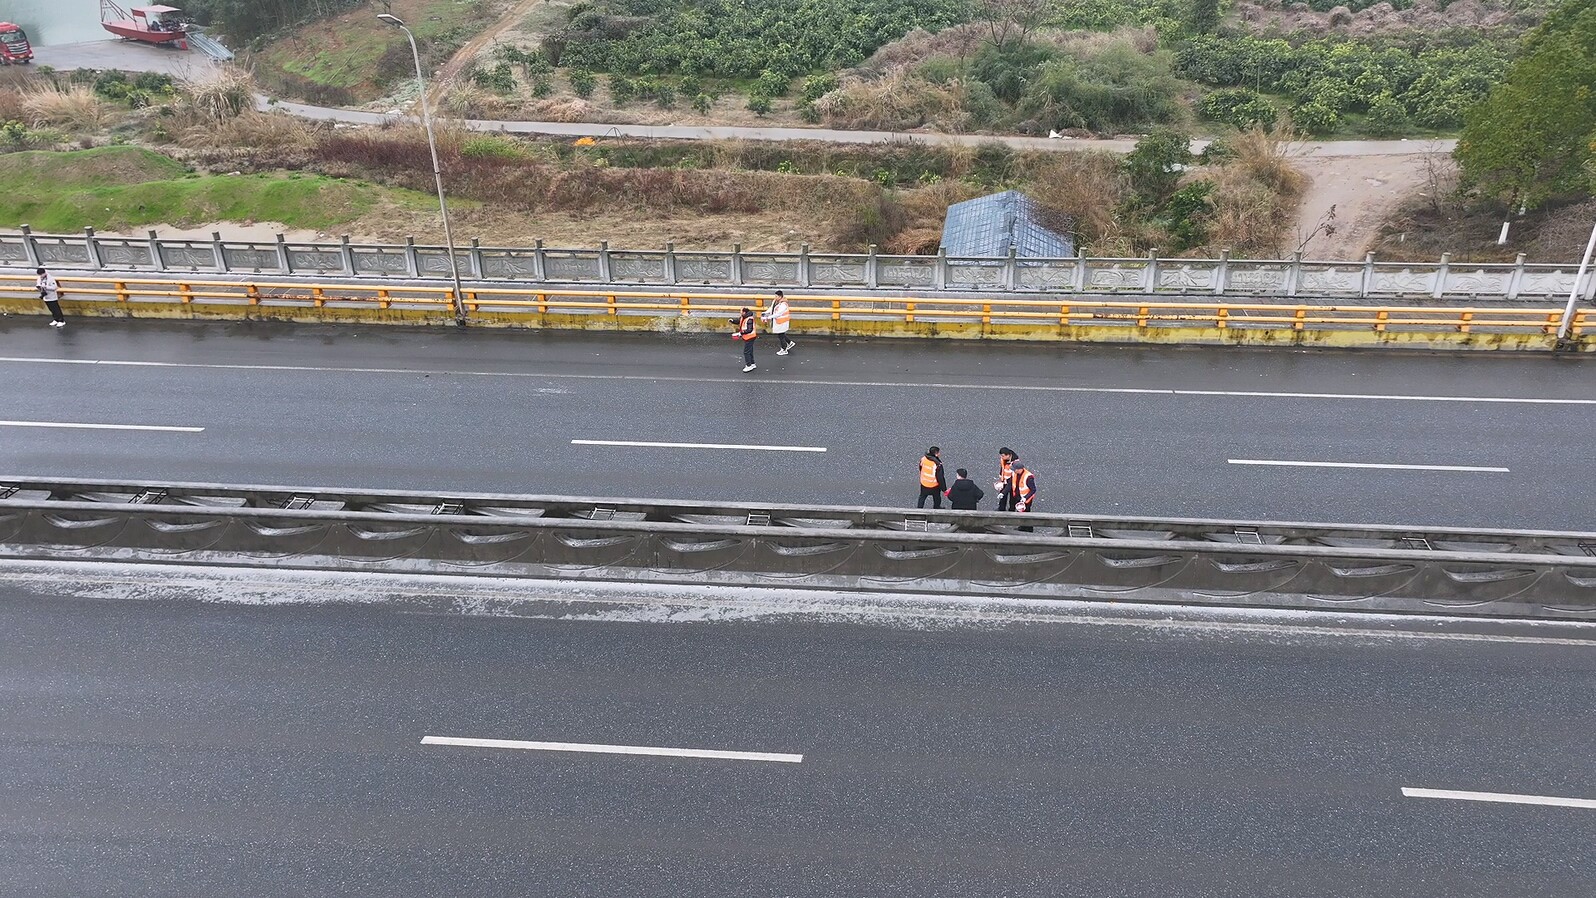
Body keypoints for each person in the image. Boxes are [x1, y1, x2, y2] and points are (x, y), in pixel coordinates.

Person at [761, 290, 796, 355]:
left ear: (780, 296)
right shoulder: (775, 301)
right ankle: (790, 343)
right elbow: (771, 308)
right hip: (779, 321)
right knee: (782, 334)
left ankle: (784, 349)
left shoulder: (783, 304)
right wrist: (766, 313)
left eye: (776, 296)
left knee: (781, 336)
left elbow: (778, 314)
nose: (775, 297)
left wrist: (769, 317)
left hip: (782, 322)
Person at [1008, 459, 1038, 531]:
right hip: (1019, 497)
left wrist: (1025, 498)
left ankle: (1029, 528)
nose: (1013, 471)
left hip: (1026, 499)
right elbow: (1010, 484)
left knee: (1026, 513)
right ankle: (1023, 526)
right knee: (1021, 513)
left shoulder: (1028, 477)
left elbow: (1033, 489)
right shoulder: (1015, 473)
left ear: (1019, 469)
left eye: (1015, 469)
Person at [730, 307, 757, 372]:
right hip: (748, 337)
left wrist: (740, 333)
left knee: (746, 352)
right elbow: (739, 321)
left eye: (741, 311)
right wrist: (733, 321)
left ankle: (748, 365)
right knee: (749, 351)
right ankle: (752, 363)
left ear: (744, 312)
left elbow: (749, 330)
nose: (740, 313)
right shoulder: (744, 317)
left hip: (750, 337)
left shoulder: (749, 319)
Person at [994, 447, 1016, 511]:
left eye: (1003, 456)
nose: (1001, 457)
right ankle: (1001, 508)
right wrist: (1001, 477)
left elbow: (1013, 478)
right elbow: (1002, 467)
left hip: (1012, 482)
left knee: (1012, 498)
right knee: (1003, 497)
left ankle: (1011, 510)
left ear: (1008, 455)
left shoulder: (1014, 463)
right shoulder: (1003, 459)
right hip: (1004, 480)